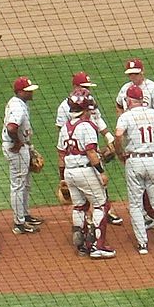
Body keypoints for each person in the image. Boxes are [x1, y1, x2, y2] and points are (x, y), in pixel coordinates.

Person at [115, 84, 154, 255]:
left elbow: (118, 135)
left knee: (135, 205)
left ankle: (143, 244)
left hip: (134, 161)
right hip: (153, 160)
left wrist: (120, 153)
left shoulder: (126, 116)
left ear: (129, 100)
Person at [55, 71, 123, 226]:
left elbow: (98, 121)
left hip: (91, 146)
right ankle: (95, 219)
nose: (88, 89)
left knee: (99, 185)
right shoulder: (64, 107)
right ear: (75, 86)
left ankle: (107, 211)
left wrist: (109, 139)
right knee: (93, 184)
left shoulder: (89, 101)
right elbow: (62, 131)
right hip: (79, 150)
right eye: (84, 86)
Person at [57, 89, 117, 259]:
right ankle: (98, 246)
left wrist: (62, 178)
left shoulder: (65, 128)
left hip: (70, 172)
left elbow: (61, 155)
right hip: (86, 171)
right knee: (101, 205)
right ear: (84, 109)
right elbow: (91, 153)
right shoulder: (87, 126)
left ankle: (83, 245)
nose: (92, 111)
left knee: (80, 206)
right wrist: (102, 172)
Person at [115, 58, 154, 229]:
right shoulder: (125, 89)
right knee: (138, 182)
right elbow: (118, 105)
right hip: (132, 140)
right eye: (130, 74)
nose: (133, 77)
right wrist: (123, 121)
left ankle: (151, 214)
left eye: (135, 74)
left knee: (148, 182)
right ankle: (146, 216)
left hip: (148, 141)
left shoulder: (153, 89)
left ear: (142, 72)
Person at [2, 76, 43, 235]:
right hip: (16, 149)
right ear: (20, 92)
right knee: (18, 185)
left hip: (21, 147)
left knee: (25, 184)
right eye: (28, 91)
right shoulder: (18, 107)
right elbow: (11, 127)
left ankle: (25, 215)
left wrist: (28, 146)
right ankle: (19, 223)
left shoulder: (18, 103)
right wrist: (18, 142)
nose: (31, 93)